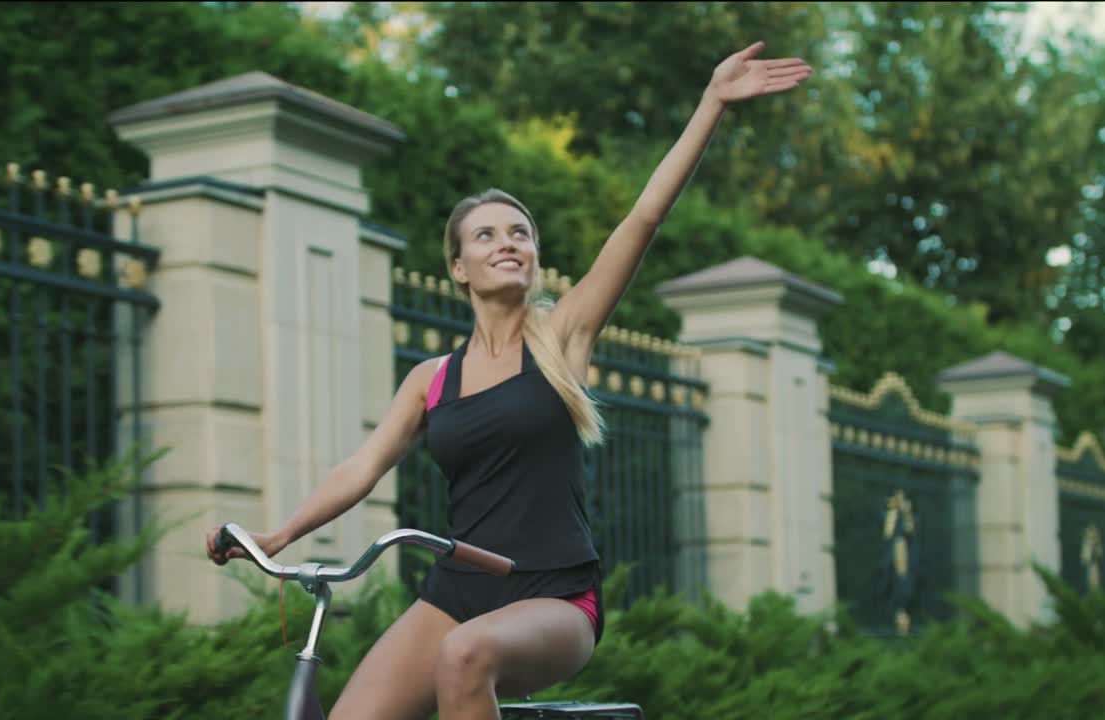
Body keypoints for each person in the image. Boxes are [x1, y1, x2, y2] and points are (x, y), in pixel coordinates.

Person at [206, 40, 811, 720]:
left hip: (554, 595)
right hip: (455, 592)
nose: (508, 243)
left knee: (465, 656)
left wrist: (712, 103)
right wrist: (279, 536)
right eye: (488, 235)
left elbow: (644, 217)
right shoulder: (432, 379)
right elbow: (363, 465)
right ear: (459, 267)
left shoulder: (562, 337)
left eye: (520, 233)